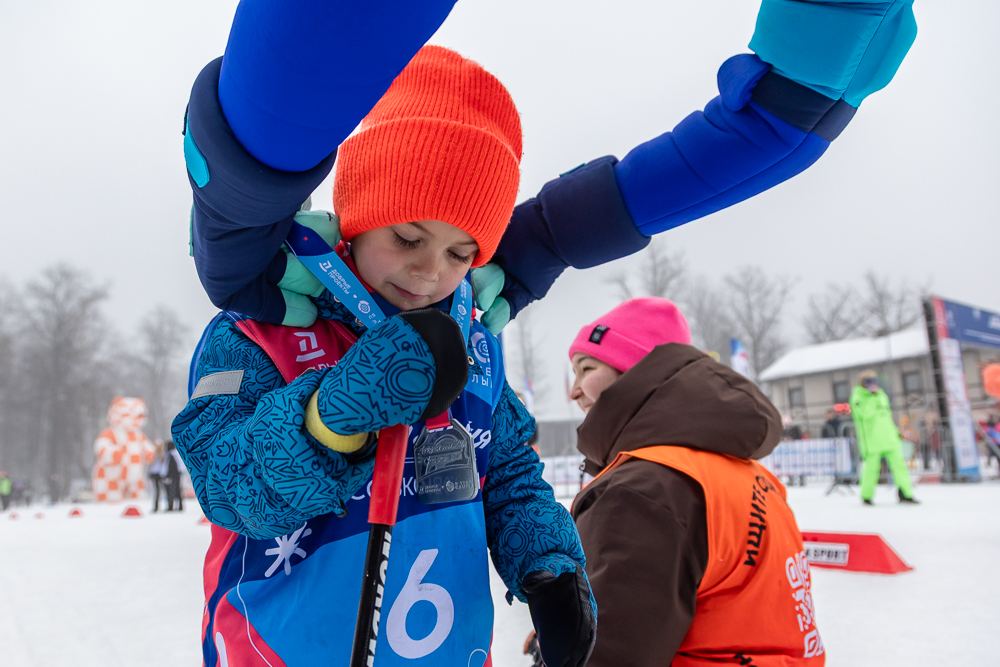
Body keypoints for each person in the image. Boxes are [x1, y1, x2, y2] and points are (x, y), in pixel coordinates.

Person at [173, 44, 595, 667]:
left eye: (460, 254)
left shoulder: (475, 341)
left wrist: (549, 563)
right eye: (407, 238)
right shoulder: (260, 330)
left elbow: (505, 473)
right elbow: (224, 485)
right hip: (283, 650)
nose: (430, 272)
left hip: (447, 649)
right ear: (358, 217)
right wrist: (328, 418)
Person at [533, 297, 823, 665]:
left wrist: (567, 646)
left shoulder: (644, 489)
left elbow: (608, 653)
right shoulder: (738, 471)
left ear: (638, 373)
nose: (573, 391)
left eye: (586, 368)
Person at [850, 370, 918, 505]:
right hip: (872, 440)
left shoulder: (882, 395)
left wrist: (896, 432)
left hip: (889, 438)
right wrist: (871, 398)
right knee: (871, 469)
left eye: (874, 381)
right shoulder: (858, 397)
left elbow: (887, 416)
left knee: (900, 467)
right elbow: (864, 415)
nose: (871, 384)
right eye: (867, 381)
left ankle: (906, 493)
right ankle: (866, 496)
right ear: (862, 383)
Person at [162, 440, 185, 512]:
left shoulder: (170, 455)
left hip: (172, 475)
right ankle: (180, 506)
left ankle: (171, 506)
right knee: (178, 490)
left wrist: (166, 475)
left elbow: (169, 466)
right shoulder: (176, 454)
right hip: (177, 474)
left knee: (171, 491)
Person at [148, 440, 167, 512]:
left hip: (161, 474)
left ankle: (169, 505)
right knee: (156, 490)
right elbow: (152, 465)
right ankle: (156, 506)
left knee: (164, 489)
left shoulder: (164, 454)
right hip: (155, 473)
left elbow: (164, 465)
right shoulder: (154, 454)